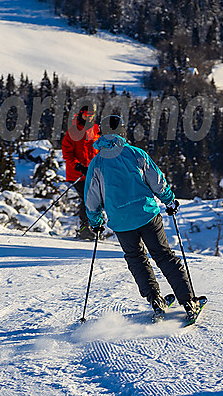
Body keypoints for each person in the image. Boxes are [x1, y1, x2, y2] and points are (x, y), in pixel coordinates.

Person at [84, 114, 201, 322]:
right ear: (122, 132)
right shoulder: (136, 154)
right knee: (164, 256)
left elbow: (91, 197)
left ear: (102, 134)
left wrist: (95, 221)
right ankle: (188, 302)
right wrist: (169, 201)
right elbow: (157, 182)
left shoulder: (96, 164)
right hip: (147, 215)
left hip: (121, 222)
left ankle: (156, 301)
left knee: (137, 260)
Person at [61, 105, 100, 240]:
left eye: (91, 114)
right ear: (81, 114)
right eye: (86, 114)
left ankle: (93, 226)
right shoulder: (73, 131)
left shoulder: (96, 129)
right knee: (87, 198)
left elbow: (99, 149)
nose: (89, 116)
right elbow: (67, 153)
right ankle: (85, 228)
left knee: (97, 199)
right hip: (78, 174)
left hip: (93, 172)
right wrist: (78, 166)